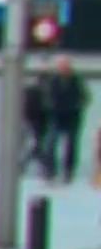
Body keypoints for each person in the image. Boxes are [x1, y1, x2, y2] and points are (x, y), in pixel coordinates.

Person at [41, 55, 89, 184]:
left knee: (71, 145)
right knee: (51, 143)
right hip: (56, 115)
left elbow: (85, 97)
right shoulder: (53, 80)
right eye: (61, 66)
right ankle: (50, 170)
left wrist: (77, 106)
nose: (64, 68)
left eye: (66, 65)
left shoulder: (77, 80)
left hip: (73, 116)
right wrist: (51, 106)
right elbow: (47, 96)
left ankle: (68, 171)